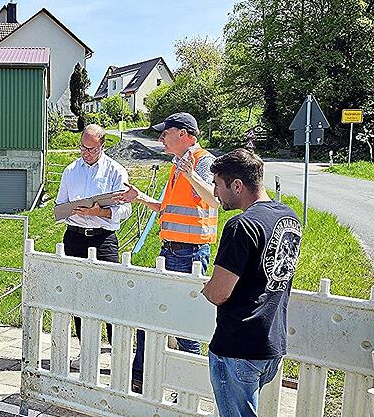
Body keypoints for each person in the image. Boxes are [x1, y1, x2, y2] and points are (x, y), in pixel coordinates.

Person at [113, 112, 220, 392]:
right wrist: (140, 198)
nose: (161, 137)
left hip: (191, 254)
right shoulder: (179, 164)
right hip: (171, 251)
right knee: (151, 315)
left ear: (184, 134)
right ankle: (141, 379)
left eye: (166, 132)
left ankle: (188, 388)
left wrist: (191, 173)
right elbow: (167, 208)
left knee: (185, 324)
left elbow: (214, 198)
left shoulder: (202, 161)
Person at [204, 148, 302, 416]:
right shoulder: (289, 217)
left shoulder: (241, 226)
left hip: (237, 345)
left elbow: (219, 293)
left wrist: (206, 288)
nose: (215, 193)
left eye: (217, 185)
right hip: (271, 343)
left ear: (237, 185)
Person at [55, 124, 132, 362]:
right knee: (79, 296)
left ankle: (118, 356)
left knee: (110, 297)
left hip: (103, 239)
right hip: (75, 236)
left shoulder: (115, 171)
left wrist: (100, 213)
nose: (86, 153)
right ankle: (86, 352)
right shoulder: (70, 171)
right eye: (83, 148)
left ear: (102, 146)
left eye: (92, 149)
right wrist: (73, 211)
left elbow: (126, 208)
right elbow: (60, 205)